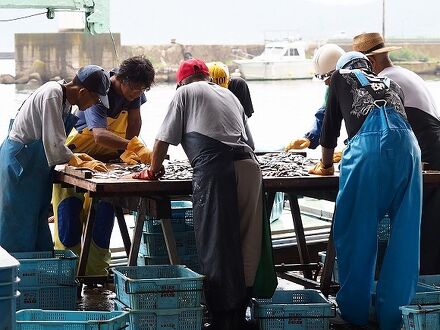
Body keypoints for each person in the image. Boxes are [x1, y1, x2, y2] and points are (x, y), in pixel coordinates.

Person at [135, 58, 275, 329]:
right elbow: (251, 143)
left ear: (181, 82)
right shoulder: (229, 94)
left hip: (217, 169)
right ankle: (239, 313)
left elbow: (163, 139)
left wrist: (152, 170)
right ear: (208, 77)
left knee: (216, 242)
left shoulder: (184, 94)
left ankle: (222, 316)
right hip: (249, 167)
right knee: (248, 241)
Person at [310, 52, 422, 329]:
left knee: (356, 231)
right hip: (409, 152)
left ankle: (354, 313)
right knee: (405, 237)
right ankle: (395, 316)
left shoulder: (339, 77)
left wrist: (325, 165)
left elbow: (329, 131)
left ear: (340, 68)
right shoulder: (390, 84)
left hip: (369, 152)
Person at [52, 55, 155, 276]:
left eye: (142, 90)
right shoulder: (98, 89)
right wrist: (134, 146)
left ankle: (96, 275)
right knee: (68, 220)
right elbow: (98, 135)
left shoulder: (134, 90)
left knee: (102, 220)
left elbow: (135, 121)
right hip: (75, 159)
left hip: (107, 165)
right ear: (121, 79)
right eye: (135, 88)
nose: (137, 93)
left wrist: (126, 154)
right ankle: (67, 277)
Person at [353, 32, 440, 275]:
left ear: (370, 62)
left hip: (429, 147)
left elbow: (385, 126)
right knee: (430, 214)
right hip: (430, 141)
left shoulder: (384, 81)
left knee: (425, 216)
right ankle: (424, 276)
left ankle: (421, 278)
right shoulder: (402, 73)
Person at [0, 65, 110, 252]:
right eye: (96, 99)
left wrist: (78, 157)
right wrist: (82, 162)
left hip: (36, 169)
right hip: (21, 167)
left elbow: (55, 144)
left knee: (37, 223)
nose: (94, 104)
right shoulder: (52, 94)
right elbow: (55, 147)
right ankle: (15, 277)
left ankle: (39, 274)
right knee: (17, 227)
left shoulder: (66, 102)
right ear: (82, 92)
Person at [284, 44, 345, 163]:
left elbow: (368, 127)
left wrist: (350, 150)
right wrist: (310, 138)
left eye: (327, 78)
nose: (326, 84)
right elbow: (325, 116)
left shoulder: (364, 89)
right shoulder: (332, 89)